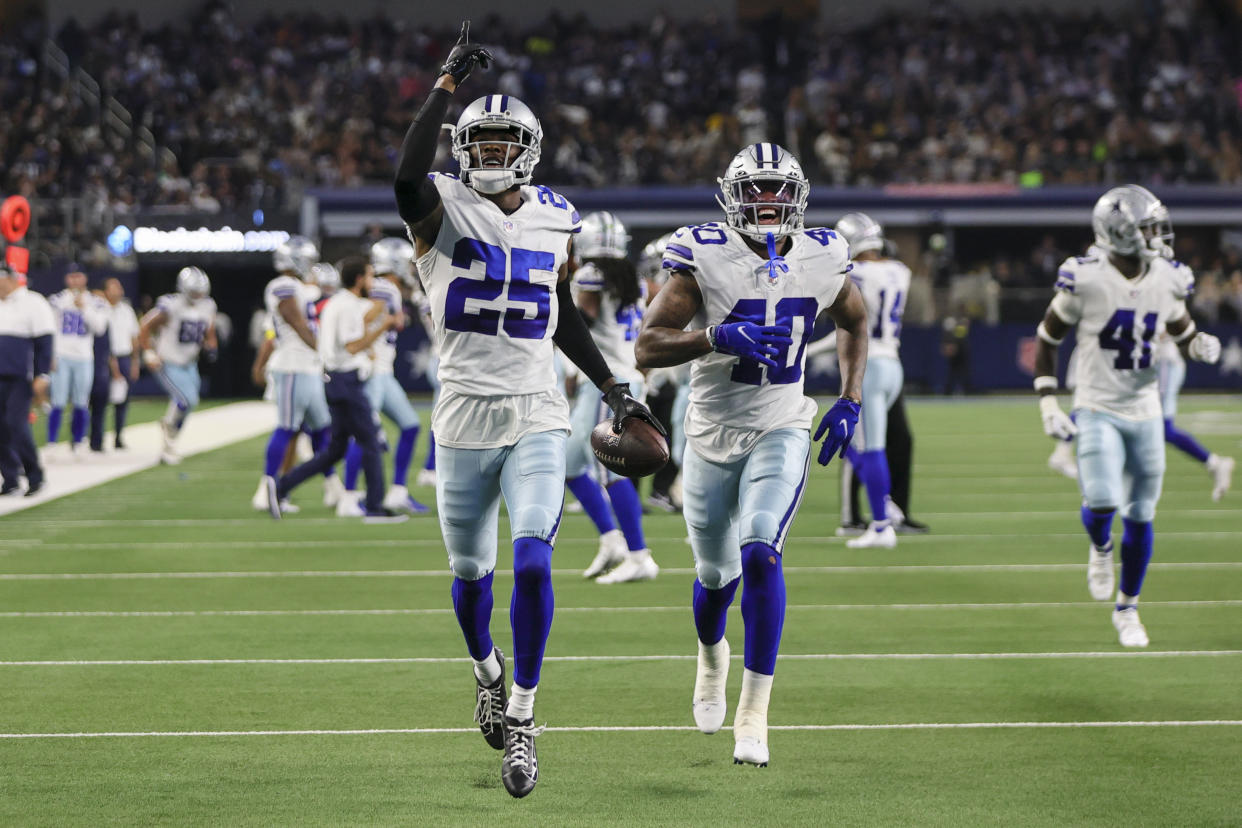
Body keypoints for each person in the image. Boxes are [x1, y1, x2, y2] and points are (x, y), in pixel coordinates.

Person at [392, 22, 661, 798]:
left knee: (535, 560)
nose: (487, 153)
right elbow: (406, 176)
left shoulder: (554, 214)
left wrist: (613, 386)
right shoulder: (437, 206)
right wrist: (445, 85)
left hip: (536, 410)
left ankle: (524, 717)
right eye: (476, 142)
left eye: (502, 141)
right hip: (464, 418)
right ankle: (485, 671)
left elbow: (559, 312)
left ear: (528, 149)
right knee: (471, 578)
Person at [635, 142, 869, 767]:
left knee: (761, 552)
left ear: (798, 197)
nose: (767, 204)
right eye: (755, 191)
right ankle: (712, 657)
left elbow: (855, 318)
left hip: (782, 423)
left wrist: (850, 397)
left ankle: (755, 711)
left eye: (777, 191)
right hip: (710, 435)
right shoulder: (703, 255)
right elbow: (646, 348)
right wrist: (714, 335)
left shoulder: (822, 254)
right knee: (716, 578)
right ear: (732, 196)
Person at [1033, 185, 1222, 648]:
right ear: (1120, 231)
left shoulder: (1168, 277)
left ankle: (1128, 608)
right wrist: (1048, 402)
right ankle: (1100, 548)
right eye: (1149, 227)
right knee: (1101, 501)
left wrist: (1196, 343)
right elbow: (1047, 337)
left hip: (1145, 407)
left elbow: (1179, 324)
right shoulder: (1086, 277)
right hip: (1097, 404)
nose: (1159, 236)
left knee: (1140, 513)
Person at [266, 257, 406, 524]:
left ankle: (282, 486)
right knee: (371, 442)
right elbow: (352, 346)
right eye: (369, 276)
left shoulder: (338, 303)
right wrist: (384, 326)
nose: (372, 282)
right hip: (345, 379)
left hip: (333, 379)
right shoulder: (347, 306)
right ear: (358, 279)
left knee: (335, 450)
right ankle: (375, 507)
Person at [567, 212, 658, 583]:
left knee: (609, 469)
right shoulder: (632, 278)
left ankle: (639, 554)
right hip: (625, 376)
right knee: (568, 462)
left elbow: (582, 323)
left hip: (609, 384)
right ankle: (611, 539)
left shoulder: (589, 276)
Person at [832, 213, 911, 549]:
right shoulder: (901, 271)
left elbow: (852, 325)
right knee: (851, 443)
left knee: (869, 445)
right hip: (892, 363)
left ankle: (880, 526)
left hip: (868, 365)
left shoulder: (854, 274)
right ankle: (885, 504)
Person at [251, 238, 343, 513]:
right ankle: (269, 489)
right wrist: (325, 352)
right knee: (287, 428)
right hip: (292, 366)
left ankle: (332, 487)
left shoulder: (300, 287)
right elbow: (297, 322)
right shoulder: (282, 286)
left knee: (323, 431)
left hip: (308, 367)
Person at [337, 238, 427, 516]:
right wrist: (372, 342)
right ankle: (349, 497)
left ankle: (398, 491)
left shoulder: (388, 288)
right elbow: (361, 320)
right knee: (364, 435)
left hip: (384, 374)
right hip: (373, 374)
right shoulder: (385, 288)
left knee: (410, 425)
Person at [138, 266, 218, 465]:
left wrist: (211, 344)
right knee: (185, 400)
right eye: (194, 291)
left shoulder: (207, 305)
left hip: (190, 363)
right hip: (168, 361)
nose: (198, 295)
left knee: (190, 403)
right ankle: (169, 438)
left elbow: (209, 328)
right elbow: (145, 326)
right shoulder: (171, 305)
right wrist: (148, 353)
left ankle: (169, 435)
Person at [1155, 333, 1233, 500]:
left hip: (1163, 362)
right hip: (1156, 364)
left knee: (1162, 427)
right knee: (1152, 427)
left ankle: (1215, 463)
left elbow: (1168, 331)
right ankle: (1214, 464)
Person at [0, 267, 54, 496]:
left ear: (11, 280)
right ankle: (10, 478)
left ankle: (34, 475)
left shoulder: (33, 302)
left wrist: (43, 374)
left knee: (16, 423)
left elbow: (45, 341)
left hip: (21, 377)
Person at [46, 269, 109, 456]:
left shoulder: (96, 302)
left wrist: (84, 308)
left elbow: (99, 329)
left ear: (85, 278)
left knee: (81, 401)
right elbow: (49, 329)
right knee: (58, 401)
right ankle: (52, 443)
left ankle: (78, 442)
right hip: (61, 355)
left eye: (78, 276)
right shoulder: (56, 300)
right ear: (66, 278)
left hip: (83, 357)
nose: (75, 280)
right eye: (72, 276)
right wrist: (50, 356)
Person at [89, 278, 139, 452]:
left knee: (123, 400)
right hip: (104, 357)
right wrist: (112, 363)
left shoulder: (127, 310)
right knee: (99, 400)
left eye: (119, 286)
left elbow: (134, 337)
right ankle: (96, 440)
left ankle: (118, 436)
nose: (118, 290)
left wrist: (135, 361)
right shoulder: (100, 308)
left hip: (124, 356)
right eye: (114, 287)